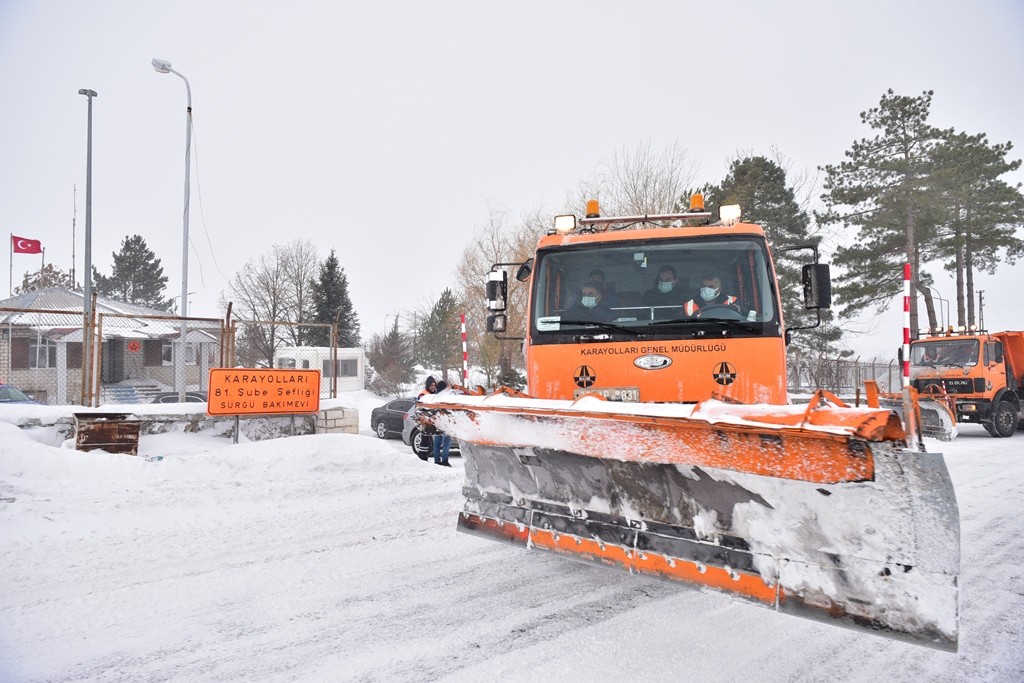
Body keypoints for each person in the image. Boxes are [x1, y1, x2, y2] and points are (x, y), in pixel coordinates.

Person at [431, 381, 453, 467]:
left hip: (437, 422)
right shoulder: (446, 397)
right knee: (446, 442)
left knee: (437, 442)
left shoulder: (435, 397)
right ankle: (445, 460)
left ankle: (436, 460)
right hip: (446, 422)